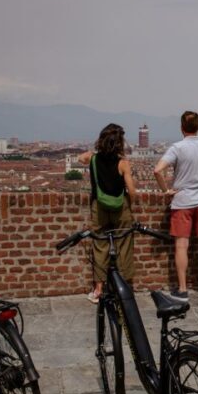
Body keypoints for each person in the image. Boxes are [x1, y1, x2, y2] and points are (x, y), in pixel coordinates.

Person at [153, 111, 198, 302]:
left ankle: (182, 290)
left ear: (182, 128)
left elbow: (158, 170)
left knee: (181, 245)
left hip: (182, 201)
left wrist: (166, 190)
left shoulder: (177, 148)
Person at [77, 123, 137, 303]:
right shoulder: (123, 163)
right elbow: (132, 191)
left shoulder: (93, 159)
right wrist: (130, 204)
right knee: (124, 245)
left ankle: (98, 290)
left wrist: (90, 153)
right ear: (119, 143)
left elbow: (80, 159)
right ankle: (125, 288)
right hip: (121, 208)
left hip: (99, 207)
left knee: (100, 245)